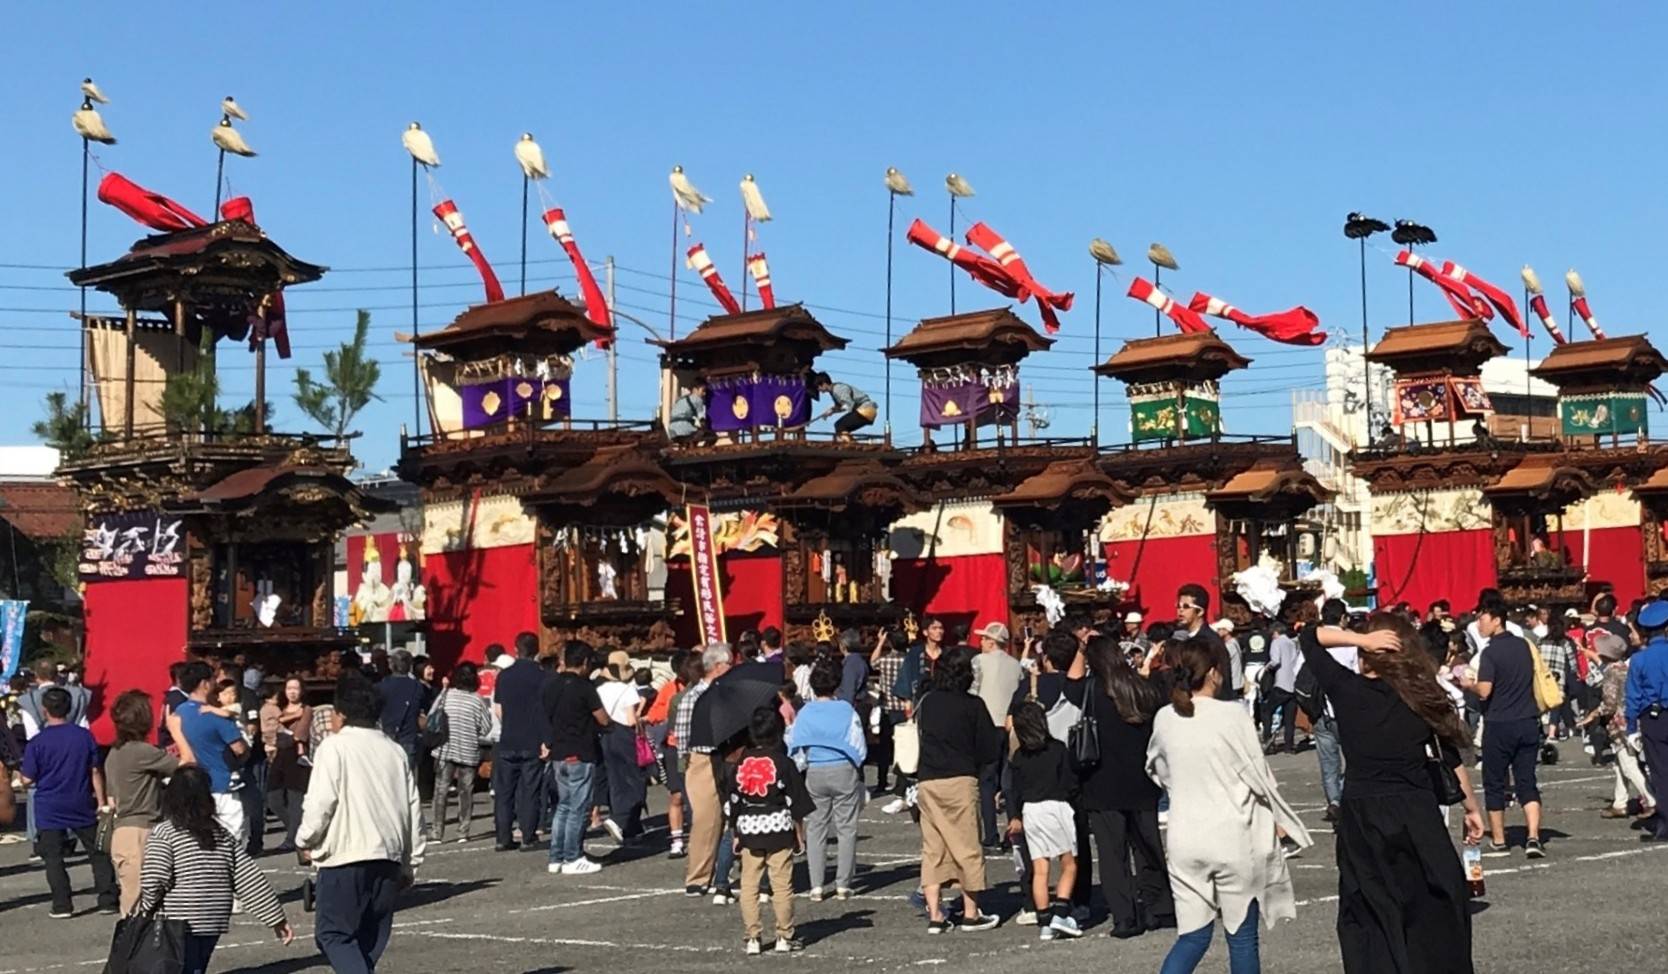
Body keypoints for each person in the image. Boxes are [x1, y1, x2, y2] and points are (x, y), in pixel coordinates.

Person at [1302, 614, 1482, 973]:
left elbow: (1309, 638)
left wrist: (1359, 639)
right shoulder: (1421, 693)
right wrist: (1471, 807)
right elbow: (1447, 754)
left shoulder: (1347, 689)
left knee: (1370, 905)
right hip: (1416, 810)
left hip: (1363, 813)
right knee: (1434, 900)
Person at [1146, 638, 1310, 974]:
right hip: (1232, 836)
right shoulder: (1232, 714)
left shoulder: (1165, 717)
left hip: (1185, 837)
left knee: (1192, 937)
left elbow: (1156, 769)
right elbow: (1260, 777)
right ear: (1214, 673)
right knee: (1241, 938)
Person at [297, 671, 426, 973]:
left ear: (340, 714)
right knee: (368, 941)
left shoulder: (335, 747)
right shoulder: (394, 750)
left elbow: (321, 803)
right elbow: (413, 808)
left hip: (346, 855)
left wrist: (305, 840)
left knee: (334, 935)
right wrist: (412, 860)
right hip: (388, 857)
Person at [1065, 635, 1173, 938]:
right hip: (1141, 779)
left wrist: (1079, 647)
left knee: (1112, 856)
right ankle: (1158, 907)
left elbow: (1069, 683)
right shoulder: (1142, 687)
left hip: (1101, 782)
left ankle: (1125, 917)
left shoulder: (1090, 689)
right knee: (1148, 847)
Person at [137, 766, 293, 973]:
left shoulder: (166, 832)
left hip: (178, 918)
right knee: (196, 965)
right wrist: (275, 917)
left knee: (176, 966)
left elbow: (155, 879)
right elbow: (248, 877)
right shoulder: (219, 833)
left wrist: (145, 907)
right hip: (213, 916)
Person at [916, 646, 1005, 933]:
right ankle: (970, 911)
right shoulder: (972, 705)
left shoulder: (927, 702)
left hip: (928, 779)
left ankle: (935, 914)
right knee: (967, 844)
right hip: (960, 777)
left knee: (934, 848)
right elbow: (989, 747)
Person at [1459, 599, 1546, 857]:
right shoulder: (1524, 646)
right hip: (1528, 720)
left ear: (1497, 619)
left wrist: (1467, 684)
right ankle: (1533, 836)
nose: (1479, 624)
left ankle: (1499, 839)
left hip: (1500, 723)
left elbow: (1485, 691)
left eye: (1483, 619)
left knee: (1495, 782)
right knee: (1526, 781)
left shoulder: (1491, 652)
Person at [21, 686, 118, 917]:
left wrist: (23, 780)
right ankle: (107, 898)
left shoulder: (38, 742)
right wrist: (101, 801)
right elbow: (95, 771)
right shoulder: (83, 736)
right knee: (98, 851)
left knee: (53, 857)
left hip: (49, 804)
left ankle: (62, 904)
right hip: (79, 799)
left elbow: (27, 778)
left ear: (45, 711)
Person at [723, 706, 813, 954]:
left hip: (749, 826)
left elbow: (732, 800)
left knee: (749, 884)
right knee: (782, 884)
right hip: (779, 826)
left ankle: (752, 936)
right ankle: (784, 935)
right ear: (778, 731)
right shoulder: (783, 762)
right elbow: (796, 802)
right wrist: (799, 833)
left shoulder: (741, 762)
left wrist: (735, 833)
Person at [787, 657, 866, 900]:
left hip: (815, 770)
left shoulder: (805, 712)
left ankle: (817, 885)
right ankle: (843, 884)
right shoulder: (846, 709)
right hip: (843, 768)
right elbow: (859, 744)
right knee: (846, 827)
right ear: (836, 684)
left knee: (816, 827)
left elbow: (794, 744)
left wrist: (804, 765)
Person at [1007, 701, 1084, 941]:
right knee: (1069, 863)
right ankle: (1061, 912)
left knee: (1040, 870)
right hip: (1056, 806)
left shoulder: (1019, 756)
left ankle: (1044, 920)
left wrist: (1015, 815)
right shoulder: (1059, 749)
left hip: (1031, 810)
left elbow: (1014, 789)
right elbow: (1071, 783)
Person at [105, 690, 179, 914]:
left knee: (134, 898)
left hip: (124, 830)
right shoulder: (141, 751)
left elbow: (112, 798)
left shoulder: (115, 753)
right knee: (142, 900)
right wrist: (176, 730)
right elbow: (186, 766)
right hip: (141, 830)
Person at [542, 641, 610, 874]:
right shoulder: (584, 687)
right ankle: (573, 856)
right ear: (584, 663)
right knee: (579, 807)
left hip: (559, 751)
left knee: (563, 805)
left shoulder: (551, 686)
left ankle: (556, 856)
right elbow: (603, 719)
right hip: (581, 751)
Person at [678, 642, 735, 897]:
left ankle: (721, 872)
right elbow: (682, 735)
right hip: (702, 756)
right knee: (706, 818)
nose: (732, 668)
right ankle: (698, 877)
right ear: (718, 666)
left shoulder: (727, 693)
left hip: (727, 756)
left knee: (732, 816)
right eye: (729, 664)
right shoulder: (695, 695)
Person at [1578, 633, 1654, 821]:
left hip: (1620, 724)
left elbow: (1610, 703)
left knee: (1628, 765)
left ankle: (1652, 799)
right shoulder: (1626, 668)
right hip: (1632, 719)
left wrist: (1593, 715)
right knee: (1620, 765)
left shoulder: (1611, 672)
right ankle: (1620, 803)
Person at [175, 661, 252, 844]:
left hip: (195, 784)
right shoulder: (217, 716)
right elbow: (239, 749)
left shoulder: (180, 712)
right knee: (231, 840)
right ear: (204, 683)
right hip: (223, 784)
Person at [492, 631, 549, 851]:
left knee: (504, 791)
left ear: (516, 650)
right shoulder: (542, 676)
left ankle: (502, 837)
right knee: (530, 790)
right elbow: (545, 711)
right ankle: (528, 835)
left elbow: (499, 710)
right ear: (537, 651)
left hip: (508, 738)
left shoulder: (504, 676)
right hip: (532, 738)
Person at [971, 621, 1022, 851]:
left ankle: (990, 833)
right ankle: (1013, 828)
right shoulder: (1015, 665)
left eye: (983, 639)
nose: (980, 642)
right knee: (1008, 780)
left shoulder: (979, 662)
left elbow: (973, 691)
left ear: (992, 642)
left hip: (987, 724)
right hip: (1009, 725)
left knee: (986, 781)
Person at [428, 662, 493, 843]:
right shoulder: (477, 699)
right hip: (468, 750)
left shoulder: (446, 695)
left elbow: (432, 715)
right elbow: (486, 727)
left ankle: (437, 832)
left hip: (445, 749)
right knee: (466, 792)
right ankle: (463, 831)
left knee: (440, 791)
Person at [1625, 600, 1668, 841]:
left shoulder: (1640, 660)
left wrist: (1631, 728)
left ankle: (1666, 823)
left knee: (1661, 771)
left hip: (1653, 717)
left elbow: (1633, 696)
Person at [595, 648, 648, 843]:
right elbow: (631, 719)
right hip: (624, 735)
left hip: (605, 735)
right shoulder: (628, 690)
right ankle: (620, 820)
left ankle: (631, 827)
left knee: (615, 780)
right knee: (635, 780)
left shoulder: (599, 690)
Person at [656, 652, 700, 859]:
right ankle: (677, 839)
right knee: (677, 795)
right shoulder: (670, 691)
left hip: (693, 748)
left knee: (695, 797)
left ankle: (696, 838)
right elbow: (659, 714)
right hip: (674, 748)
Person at [263, 677, 313, 853]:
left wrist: (283, 724)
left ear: (302, 691)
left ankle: (292, 839)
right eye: (289, 688)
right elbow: (272, 730)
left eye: (296, 688)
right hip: (279, 755)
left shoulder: (307, 709)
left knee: (295, 800)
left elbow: (299, 735)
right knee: (273, 798)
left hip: (297, 756)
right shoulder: (280, 709)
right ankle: (296, 830)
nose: (292, 692)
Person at [1175, 583, 1235, 701]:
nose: (1180, 610)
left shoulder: (1210, 641)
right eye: (1178, 605)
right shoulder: (1186, 638)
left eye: (1186, 606)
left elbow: (1223, 678)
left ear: (1200, 612)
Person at [869, 628, 910, 795]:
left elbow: (873, 662)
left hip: (888, 707)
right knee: (904, 747)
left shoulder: (885, 661)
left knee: (884, 747)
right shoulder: (909, 661)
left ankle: (882, 781)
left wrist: (880, 642)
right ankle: (903, 782)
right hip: (906, 708)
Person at [377, 650, 426, 770]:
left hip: (386, 735)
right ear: (410, 666)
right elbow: (422, 708)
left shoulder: (381, 686)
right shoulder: (417, 687)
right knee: (407, 777)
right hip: (409, 736)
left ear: (391, 665)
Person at [1263, 624, 1301, 753]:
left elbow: (1275, 660)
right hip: (1293, 682)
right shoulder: (1292, 643)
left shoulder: (1277, 642)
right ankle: (1288, 745)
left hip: (1281, 683)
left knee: (1267, 711)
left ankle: (1267, 740)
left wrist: (1266, 668)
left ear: (1275, 632)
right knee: (1289, 717)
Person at [810, 370, 877, 440]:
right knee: (842, 429)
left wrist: (832, 411)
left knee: (839, 426)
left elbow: (849, 404)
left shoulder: (838, 389)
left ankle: (850, 446)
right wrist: (830, 411)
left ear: (824, 384)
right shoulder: (833, 392)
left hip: (865, 409)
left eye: (818, 387)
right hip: (866, 410)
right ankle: (850, 442)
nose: (818, 390)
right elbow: (840, 406)